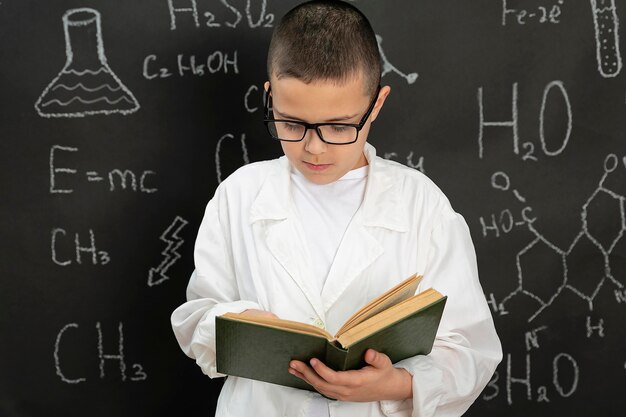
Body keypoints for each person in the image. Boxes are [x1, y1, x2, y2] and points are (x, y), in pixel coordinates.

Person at [171, 1, 502, 416]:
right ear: (269, 96)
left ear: (376, 106)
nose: (314, 147)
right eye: (291, 124)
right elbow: (196, 318)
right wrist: (247, 324)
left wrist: (397, 383)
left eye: (340, 127)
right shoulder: (239, 195)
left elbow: (470, 348)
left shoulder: (422, 205)